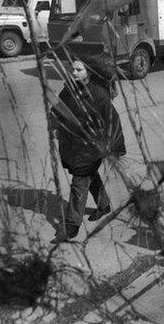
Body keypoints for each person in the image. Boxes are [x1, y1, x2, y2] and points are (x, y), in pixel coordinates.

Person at [50, 59, 126, 243]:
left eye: (78, 70)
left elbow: (112, 120)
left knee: (79, 182)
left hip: (92, 146)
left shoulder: (99, 95)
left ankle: (72, 226)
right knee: (87, 175)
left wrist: (115, 147)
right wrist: (53, 126)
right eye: (72, 69)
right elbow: (58, 108)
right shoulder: (69, 89)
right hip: (74, 144)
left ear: (89, 72)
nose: (73, 73)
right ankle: (104, 205)